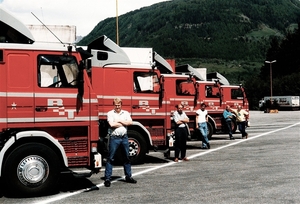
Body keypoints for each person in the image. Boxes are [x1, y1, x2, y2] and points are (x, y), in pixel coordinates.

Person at [104, 98, 137, 187]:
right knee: (110, 158)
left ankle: (128, 176)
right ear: (113, 105)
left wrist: (119, 121)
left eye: (119, 105)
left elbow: (130, 122)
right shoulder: (110, 113)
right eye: (116, 105)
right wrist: (124, 123)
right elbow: (111, 124)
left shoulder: (125, 113)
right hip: (114, 138)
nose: (117, 107)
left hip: (124, 138)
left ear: (121, 105)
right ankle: (107, 178)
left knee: (126, 157)